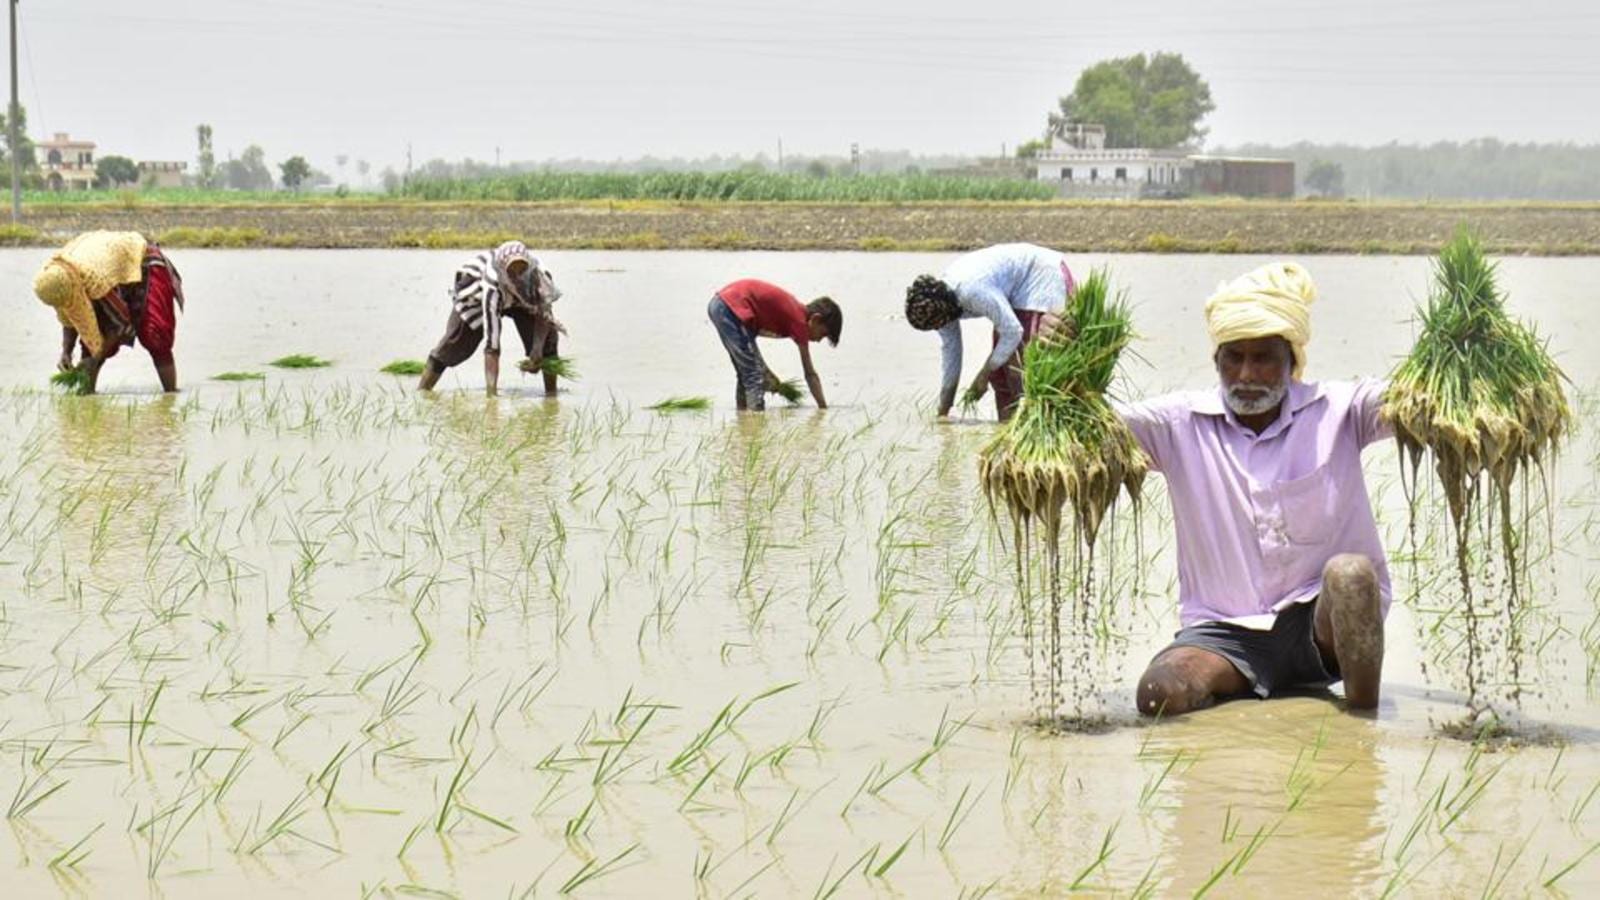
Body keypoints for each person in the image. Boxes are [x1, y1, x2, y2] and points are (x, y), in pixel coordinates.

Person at [1102, 262, 1388, 716]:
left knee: (1351, 574)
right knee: (1159, 694)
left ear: (1292, 362)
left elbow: (1418, 403)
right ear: (1216, 360)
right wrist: (1068, 371)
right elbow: (1089, 431)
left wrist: (1466, 348)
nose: (1247, 374)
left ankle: (1361, 724)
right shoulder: (1178, 424)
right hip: (1225, 632)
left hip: (1322, 626)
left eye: (1264, 358)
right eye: (1234, 357)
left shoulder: (1341, 410)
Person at [903, 242, 1076, 421]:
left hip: (1038, 278)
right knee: (1000, 375)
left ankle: (1033, 426)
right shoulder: (941, 310)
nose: (940, 327)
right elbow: (952, 354)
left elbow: (1013, 331)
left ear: (944, 309)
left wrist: (982, 375)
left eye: (938, 323)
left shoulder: (970, 291)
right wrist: (943, 411)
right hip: (1014, 294)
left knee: (1022, 368)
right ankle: (1006, 431)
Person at [33, 231, 185, 394]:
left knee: (154, 334)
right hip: (108, 261)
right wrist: (66, 352)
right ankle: (86, 396)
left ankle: (170, 394)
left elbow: (119, 323)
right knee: (90, 342)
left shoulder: (96, 279)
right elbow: (72, 318)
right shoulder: (54, 280)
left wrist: (96, 357)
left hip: (140, 258)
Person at [418, 240, 563, 396]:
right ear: (503, 270)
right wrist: (491, 398)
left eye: (522, 269)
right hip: (476, 295)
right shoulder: (492, 283)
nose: (517, 275)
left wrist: (537, 349)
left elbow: (544, 314)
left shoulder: (538, 276)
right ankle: (422, 392)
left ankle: (551, 396)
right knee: (454, 342)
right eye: (512, 270)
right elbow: (492, 346)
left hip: (522, 298)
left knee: (549, 340)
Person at [707, 278, 841, 411]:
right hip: (730, 308)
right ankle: (755, 423)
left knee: (746, 374)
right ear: (815, 319)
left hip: (723, 305)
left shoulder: (796, 312)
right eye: (822, 334)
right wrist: (823, 408)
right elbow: (810, 373)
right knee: (754, 375)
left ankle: (743, 418)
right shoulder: (799, 322)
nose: (818, 340)